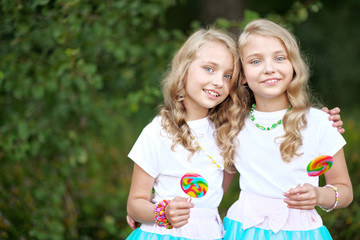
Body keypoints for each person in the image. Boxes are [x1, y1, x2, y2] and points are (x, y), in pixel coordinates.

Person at [223, 19, 353, 240]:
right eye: (255, 61)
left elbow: (345, 191)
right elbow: (214, 189)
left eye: (280, 58)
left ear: (293, 65)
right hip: (242, 230)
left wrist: (319, 195)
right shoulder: (234, 125)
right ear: (242, 75)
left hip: (302, 232)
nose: (269, 68)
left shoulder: (319, 122)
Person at [126, 27, 245, 239]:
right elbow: (135, 205)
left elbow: (214, 194)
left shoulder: (228, 132)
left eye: (228, 75)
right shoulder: (158, 132)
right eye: (209, 69)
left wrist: (321, 118)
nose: (219, 81)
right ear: (184, 69)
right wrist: (161, 212)